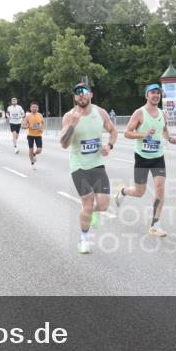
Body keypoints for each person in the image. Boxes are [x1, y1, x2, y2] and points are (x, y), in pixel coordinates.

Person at [114, 83, 176, 237]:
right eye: (153, 93)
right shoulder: (139, 113)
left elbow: (163, 129)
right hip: (142, 157)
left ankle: (155, 225)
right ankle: (123, 191)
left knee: (160, 188)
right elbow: (127, 133)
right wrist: (143, 134)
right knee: (139, 192)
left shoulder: (163, 114)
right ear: (147, 95)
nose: (156, 95)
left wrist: (169, 138)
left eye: (158, 93)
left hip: (158, 157)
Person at [60, 83, 117, 254]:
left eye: (84, 92)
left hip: (97, 164)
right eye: (77, 93)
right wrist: (72, 125)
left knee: (104, 205)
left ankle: (95, 212)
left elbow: (113, 131)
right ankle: (84, 240)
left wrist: (109, 146)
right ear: (75, 97)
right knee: (88, 201)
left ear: (90, 94)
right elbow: (64, 144)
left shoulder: (101, 113)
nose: (81, 95)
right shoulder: (69, 116)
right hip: (78, 166)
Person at [25, 101, 45, 169]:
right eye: (33, 107)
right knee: (31, 149)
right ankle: (32, 163)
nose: (34, 108)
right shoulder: (28, 116)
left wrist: (42, 128)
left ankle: (34, 154)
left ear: (38, 108)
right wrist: (28, 126)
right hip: (30, 135)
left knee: (39, 150)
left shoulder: (40, 115)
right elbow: (23, 125)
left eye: (36, 107)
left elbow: (43, 123)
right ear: (30, 108)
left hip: (38, 135)